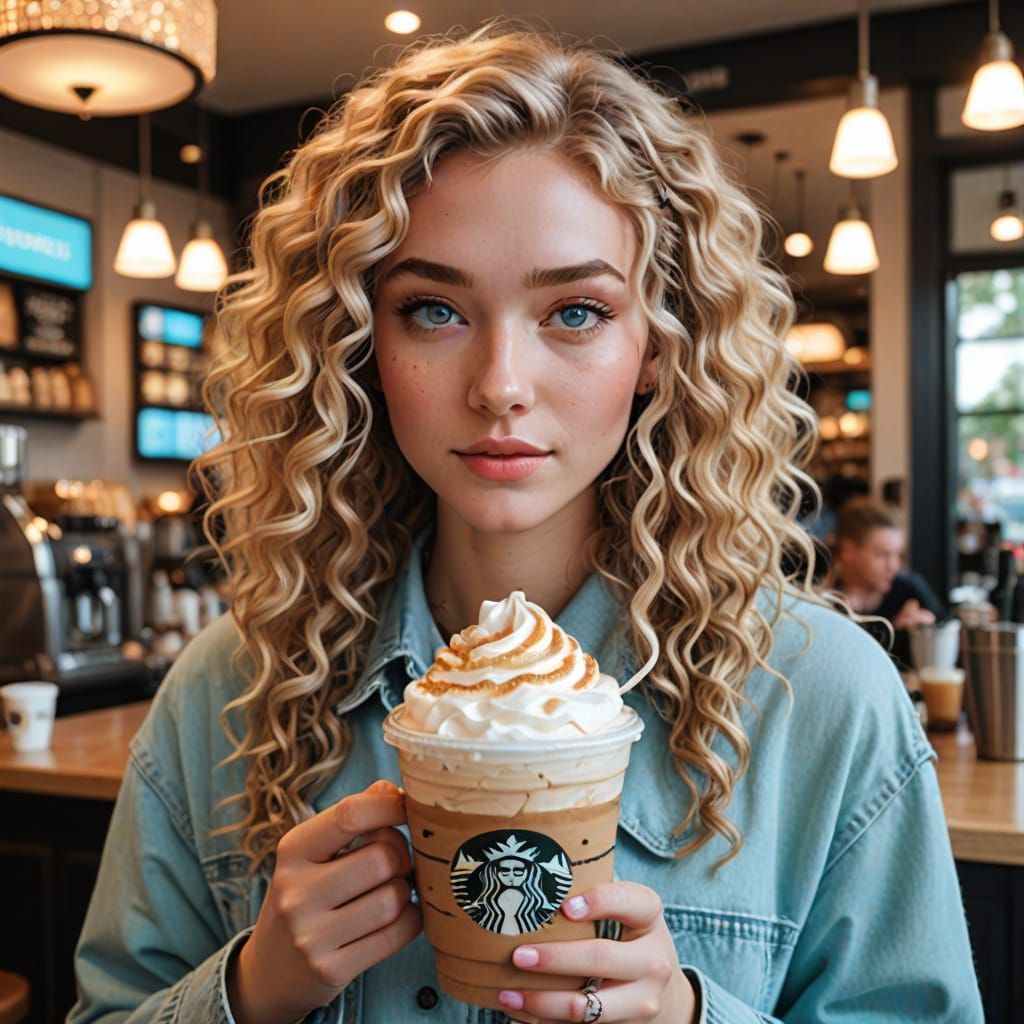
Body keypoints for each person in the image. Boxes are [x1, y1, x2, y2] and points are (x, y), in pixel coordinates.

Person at [68, 22, 983, 1024]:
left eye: (575, 312)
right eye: (433, 310)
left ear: (658, 347)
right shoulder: (227, 693)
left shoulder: (820, 701)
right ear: (358, 343)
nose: (500, 386)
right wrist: (247, 992)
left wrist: (688, 1014)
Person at [832, 497, 946, 668]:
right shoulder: (824, 602)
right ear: (848, 551)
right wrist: (894, 632)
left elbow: (947, 632)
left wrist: (926, 631)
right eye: (881, 555)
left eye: (897, 555)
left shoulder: (910, 590)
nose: (893, 567)